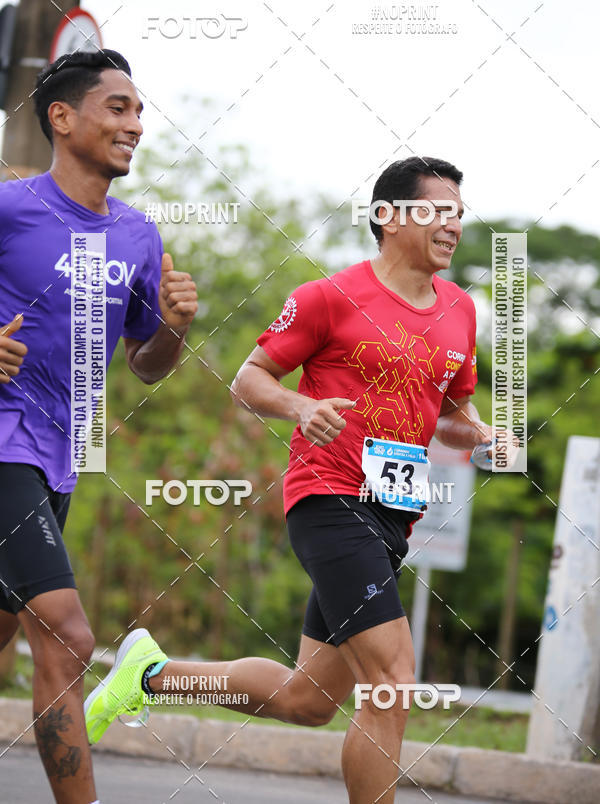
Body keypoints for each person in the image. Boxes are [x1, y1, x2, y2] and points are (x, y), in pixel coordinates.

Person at [84, 156, 493, 803]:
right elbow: (250, 378)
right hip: (330, 499)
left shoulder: (460, 313)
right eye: (438, 211)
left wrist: (484, 435)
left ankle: (149, 676)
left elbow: (452, 415)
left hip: (393, 512)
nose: (454, 226)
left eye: (460, 215)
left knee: (309, 699)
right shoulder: (329, 298)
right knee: (392, 683)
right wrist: (302, 407)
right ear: (388, 217)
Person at [0, 49, 198, 804]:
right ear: (63, 117)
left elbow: (148, 365)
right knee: (68, 637)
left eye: (140, 111)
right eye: (118, 108)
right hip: (2, 441)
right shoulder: (11, 207)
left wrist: (176, 324)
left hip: (59, 461)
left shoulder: (139, 235)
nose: (136, 125)